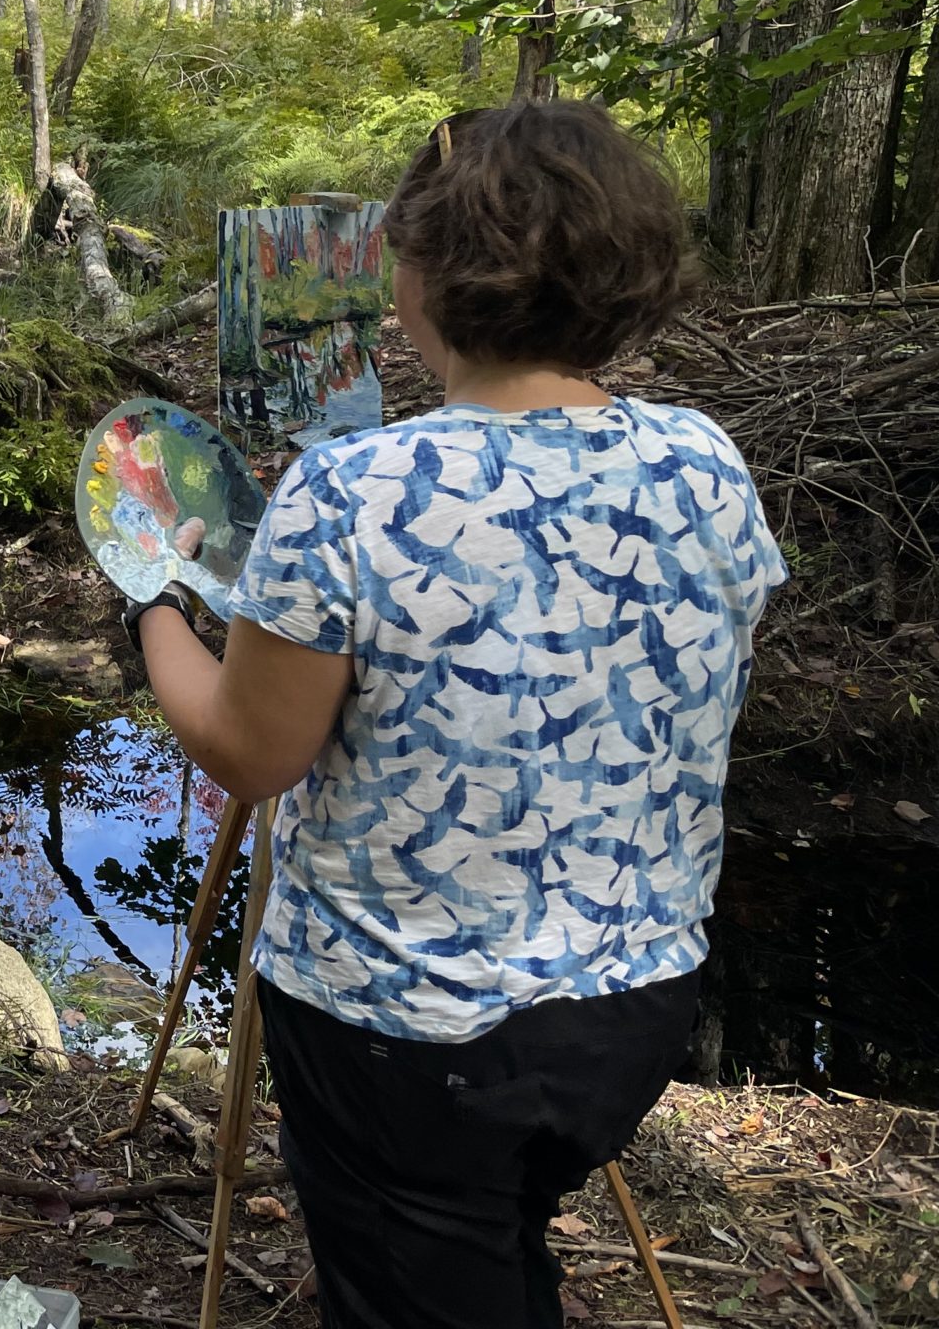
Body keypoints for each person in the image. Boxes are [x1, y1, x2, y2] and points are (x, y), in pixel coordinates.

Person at [130, 100, 784, 1329]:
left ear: (422, 273)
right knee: (487, 1249)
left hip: (405, 1031)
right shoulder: (705, 460)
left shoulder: (352, 490)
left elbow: (246, 753)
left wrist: (152, 610)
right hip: (632, 1007)